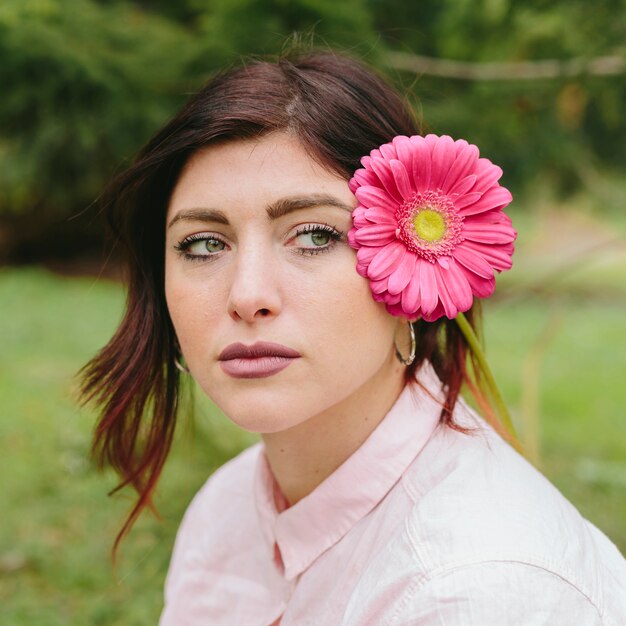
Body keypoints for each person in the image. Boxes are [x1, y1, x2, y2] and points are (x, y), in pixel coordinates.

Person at [81, 50, 626, 625]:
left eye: (314, 235)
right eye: (203, 244)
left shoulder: (473, 591)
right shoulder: (228, 508)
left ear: (418, 264)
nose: (246, 294)